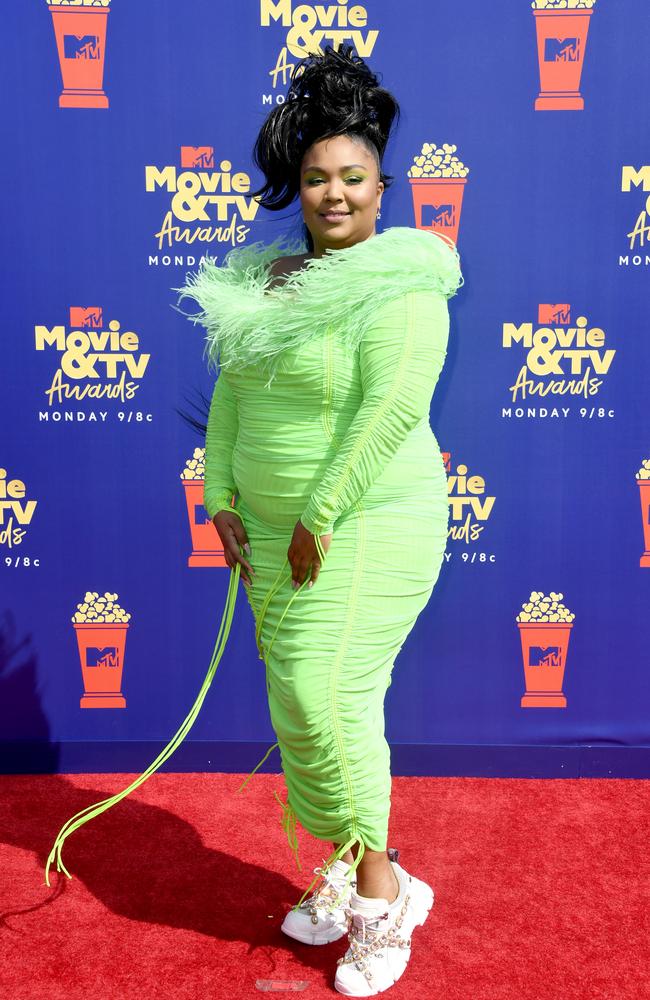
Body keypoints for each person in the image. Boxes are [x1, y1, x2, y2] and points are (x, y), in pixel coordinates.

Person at [175, 44, 464, 997]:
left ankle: (385, 897)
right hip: (271, 530)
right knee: (301, 709)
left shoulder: (405, 281)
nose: (334, 195)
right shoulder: (267, 280)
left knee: (324, 699)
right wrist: (221, 497)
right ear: (295, 185)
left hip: (368, 522)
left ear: (385, 186)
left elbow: (394, 408)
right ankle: (345, 862)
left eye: (353, 178)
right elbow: (232, 397)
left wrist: (324, 509)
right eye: (315, 178)